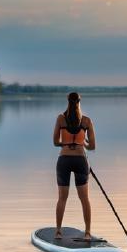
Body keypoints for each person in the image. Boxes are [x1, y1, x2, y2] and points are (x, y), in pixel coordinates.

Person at [53, 92, 96, 240]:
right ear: (79, 102)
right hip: (80, 161)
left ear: (68, 101)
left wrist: (65, 144)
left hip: (64, 160)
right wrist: (81, 142)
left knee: (62, 198)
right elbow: (92, 146)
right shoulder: (86, 121)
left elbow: (55, 142)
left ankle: (58, 232)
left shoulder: (60, 118)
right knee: (84, 199)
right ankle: (88, 233)